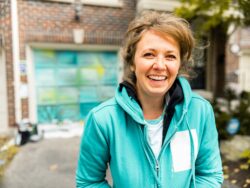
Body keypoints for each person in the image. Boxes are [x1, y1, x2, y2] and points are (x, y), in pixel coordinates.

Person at [76, 11, 223, 188]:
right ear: (132, 62)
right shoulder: (103, 119)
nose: (160, 66)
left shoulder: (200, 111)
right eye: (149, 54)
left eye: (170, 56)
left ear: (179, 65)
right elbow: (89, 182)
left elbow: (209, 175)